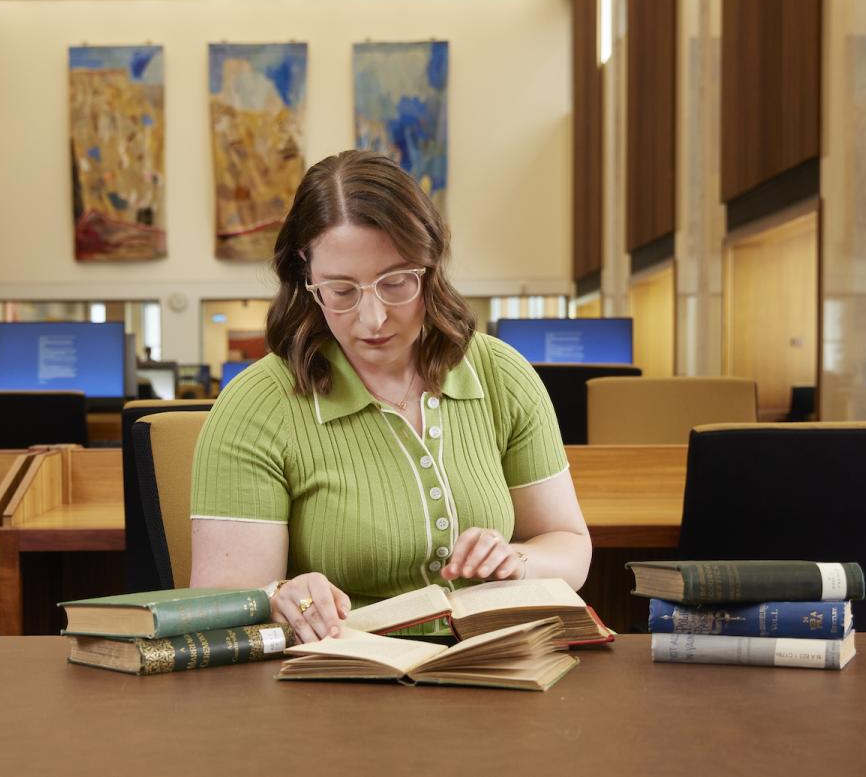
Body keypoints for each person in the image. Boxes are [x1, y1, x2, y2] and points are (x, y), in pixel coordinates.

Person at [190, 150, 591, 644]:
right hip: (337, 680)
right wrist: (280, 596)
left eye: (396, 283)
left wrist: (519, 561)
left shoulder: (501, 374)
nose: (373, 319)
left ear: (430, 266)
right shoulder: (258, 404)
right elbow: (219, 601)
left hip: (491, 664)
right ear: (306, 277)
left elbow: (571, 546)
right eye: (341, 291)